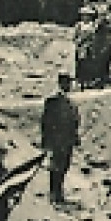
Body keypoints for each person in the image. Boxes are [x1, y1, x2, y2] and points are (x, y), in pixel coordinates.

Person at [40, 73, 81, 204]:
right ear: (61, 84)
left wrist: (75, 136)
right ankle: (54, 193)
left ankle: (59, 193)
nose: (68, 86)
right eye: (66, 83)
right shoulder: (52, 102)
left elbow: (74, 122)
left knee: (64, 166)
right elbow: (46, 123)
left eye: (69, 83)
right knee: (56, 167)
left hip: (67, 141)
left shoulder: (71, 103)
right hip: (57, 141)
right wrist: (47, 142)